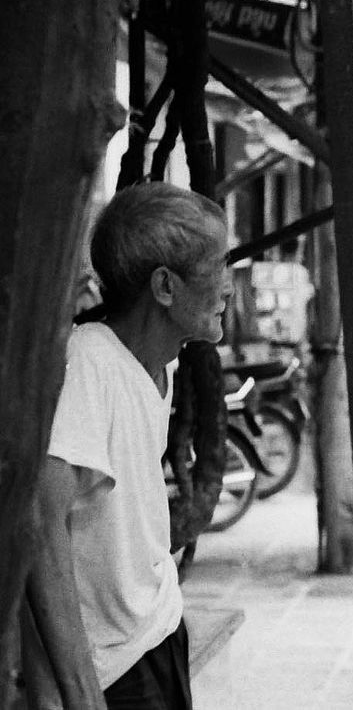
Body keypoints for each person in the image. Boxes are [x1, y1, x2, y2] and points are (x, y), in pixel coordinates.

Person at [29, 182, 229, 710]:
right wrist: (78, 693)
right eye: (218, 266)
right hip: (111, 671)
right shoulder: (89, 364)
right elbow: (40, 528)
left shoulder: (160, 361)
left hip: (157, 631)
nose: (230, 285)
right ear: (165, 286)